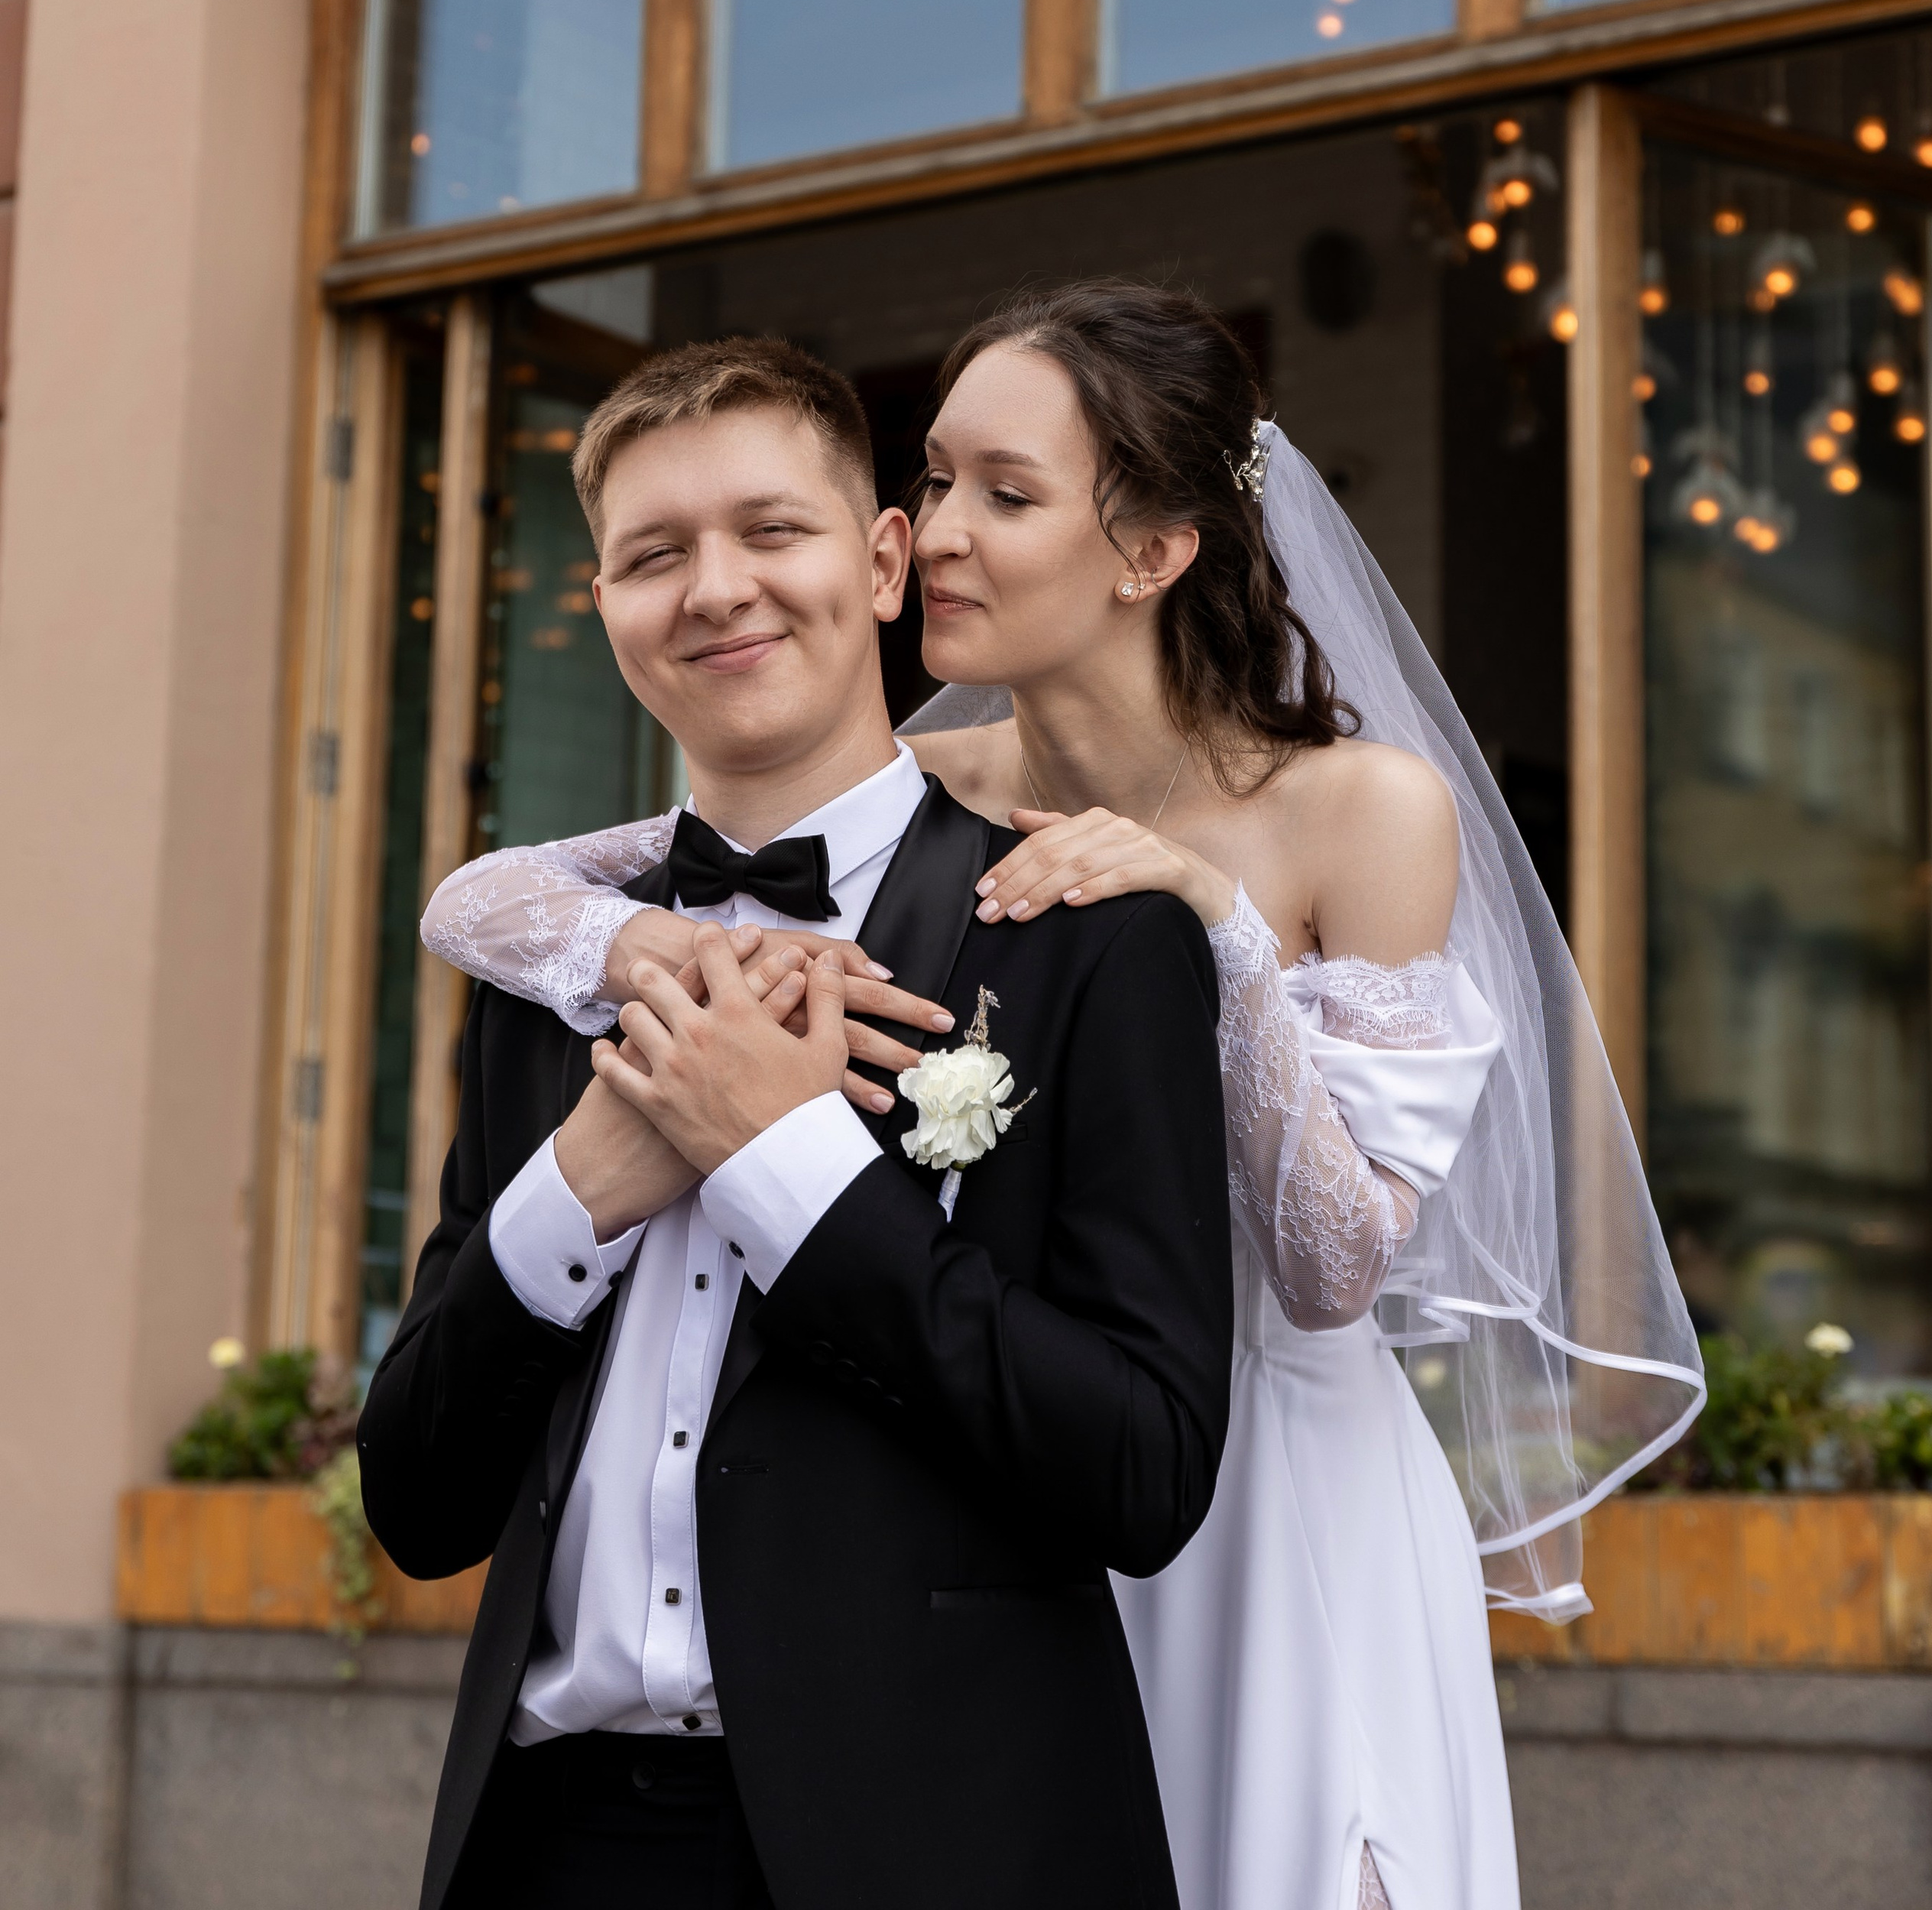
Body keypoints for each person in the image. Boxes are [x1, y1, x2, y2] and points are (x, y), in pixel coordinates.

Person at [423, 282, 1704, 1910]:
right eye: (936, 479)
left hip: (1267, 1502)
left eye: (1003, 495)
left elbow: (1331, 1270)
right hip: (998, 1499)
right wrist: (662, 955)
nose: (939, 531)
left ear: (1150, 547)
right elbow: (480, 899)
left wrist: (1217, 930)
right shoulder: (932, 789)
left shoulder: (1355, 809)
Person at [362, 333, 1236, 1910]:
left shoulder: (1089, 940)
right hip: (556, 1855)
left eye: (771, 530)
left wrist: (789, 1170)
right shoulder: (543, 981)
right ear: (609, 610)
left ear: (885, 560)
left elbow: (1145, 1466)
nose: (714, 588)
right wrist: (582, 1185)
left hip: (946, 1847)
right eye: (651, 555)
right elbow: (418, 1505)